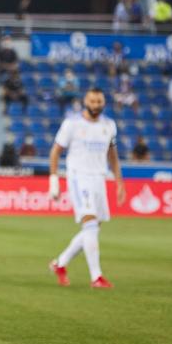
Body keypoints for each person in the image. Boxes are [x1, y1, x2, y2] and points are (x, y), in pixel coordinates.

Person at [48, 88, 125, 288]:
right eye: (92, 101)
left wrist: (119, 182)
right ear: (85, 101)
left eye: (99, 101)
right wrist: (54, 179)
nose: (96, 105)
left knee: (92, 229)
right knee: (90, 225)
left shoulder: (109, 125)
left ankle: (60, 263)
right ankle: (96, 277)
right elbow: (55, 151)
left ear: (104, 102)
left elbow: (113, 156)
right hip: (78, 177)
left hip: (99, 178)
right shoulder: (72, 124)